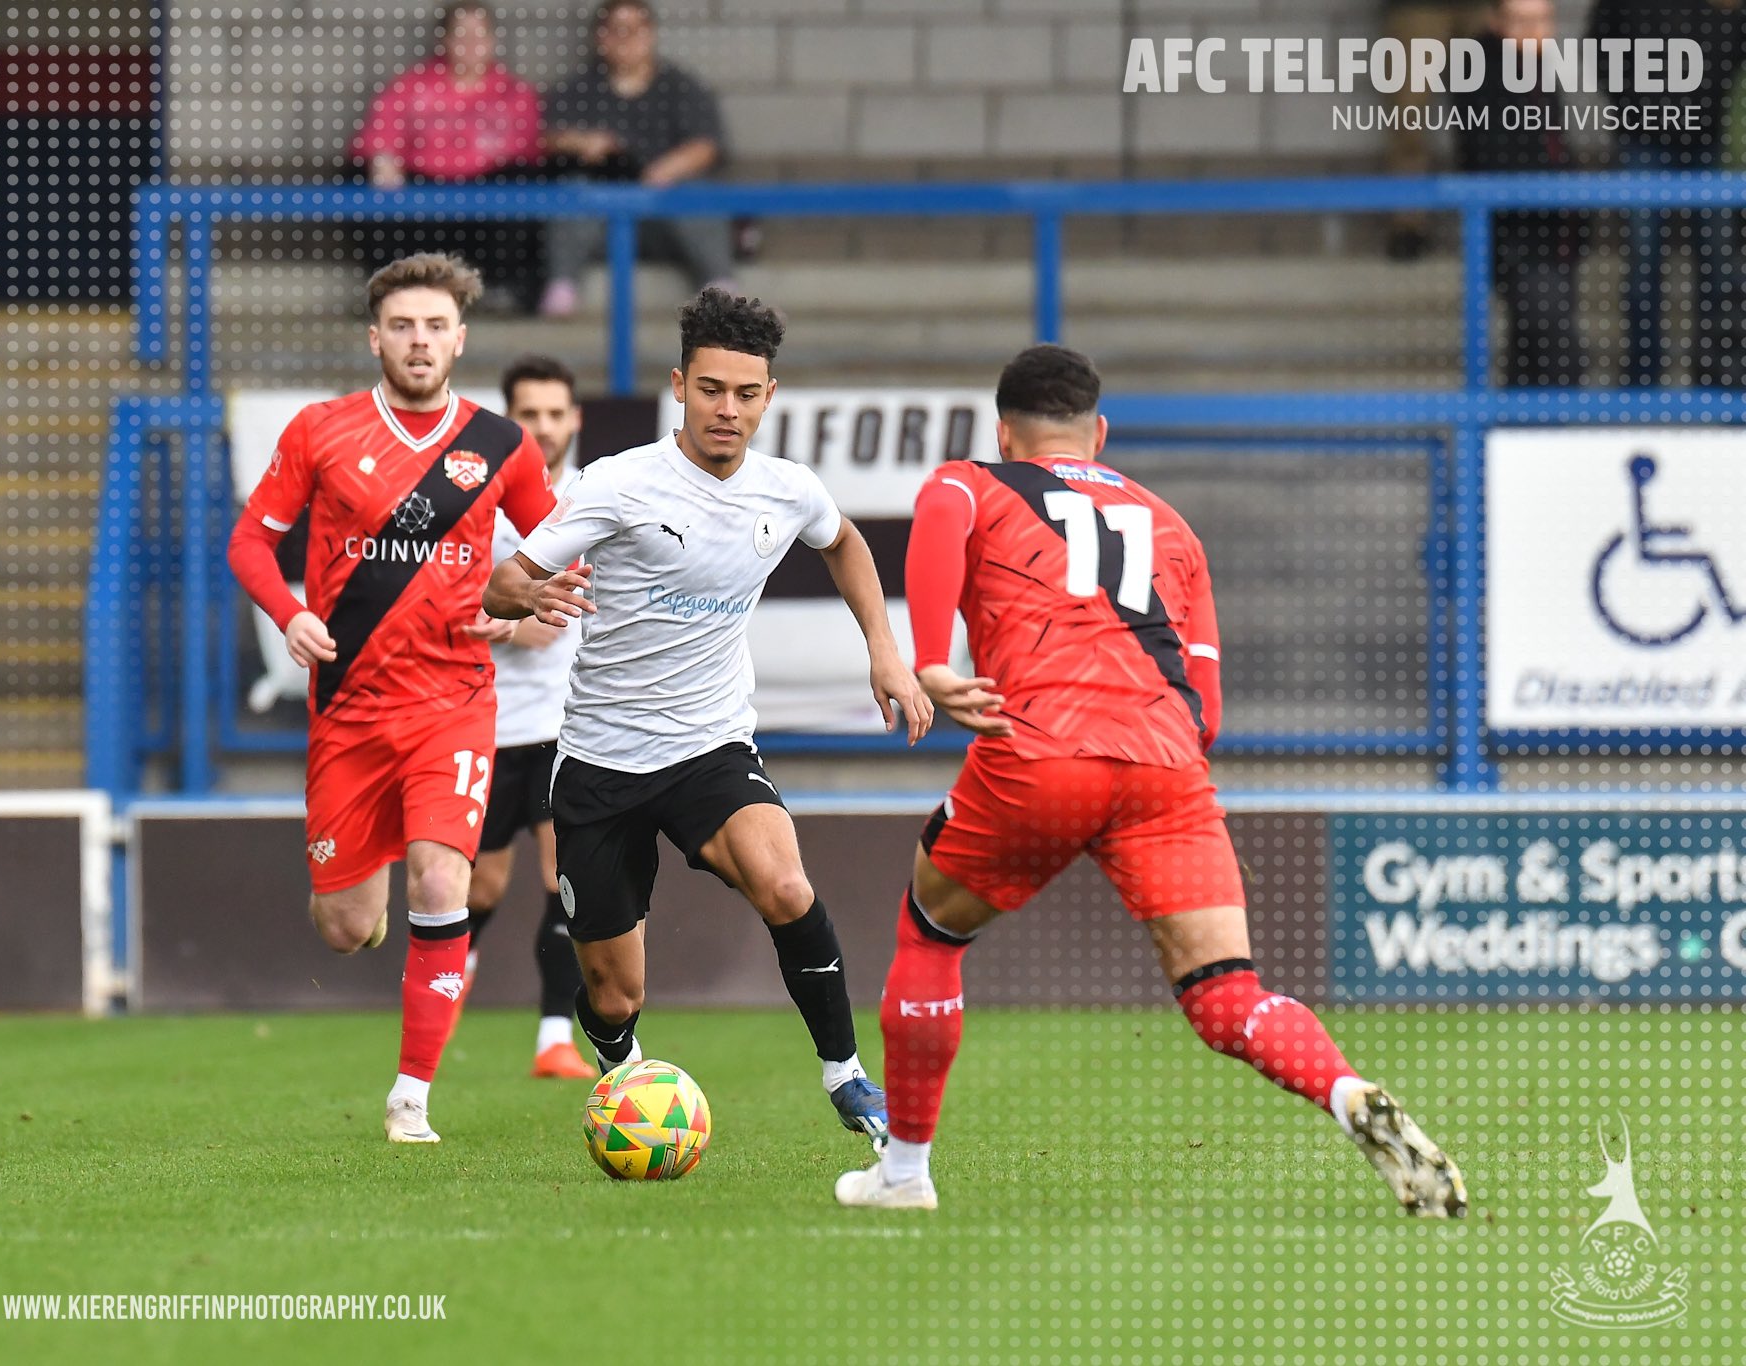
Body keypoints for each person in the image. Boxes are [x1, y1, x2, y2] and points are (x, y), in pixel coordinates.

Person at [834, 345, 1468, 1216]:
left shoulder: (971, 482)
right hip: (1167, 767)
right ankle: (1346, 1091)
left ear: (1002, 431)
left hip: (1040, 750)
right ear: (1099, 432)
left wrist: (932, 664)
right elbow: (1207, 709)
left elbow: (939, 516)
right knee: (1225, 993)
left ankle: (903, 1175)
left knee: (931, 933)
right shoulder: (1172, 525)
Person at [481, 288, 935, 1140]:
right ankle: (621, 1065)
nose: (728, 409)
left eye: (748, 393)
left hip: (710, 747)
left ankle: (847, 1076)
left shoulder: (787, 490)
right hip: (601, 763)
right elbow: (506, 578)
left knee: (786, 882)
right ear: (680, 386)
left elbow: (844, 542)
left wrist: (884, 647)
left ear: (770, 397)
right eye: (713, 389)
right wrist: (528, 590)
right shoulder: (616, 484)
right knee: (615, 994)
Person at [226, 252, 556, 1144]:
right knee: (345, 926)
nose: (419, 341)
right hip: (349, 710)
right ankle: (358, 913)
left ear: (461, 339)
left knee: (443, 875)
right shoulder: (320, 432)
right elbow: (252, 545)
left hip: (453, 702)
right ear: (376, 338)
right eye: (403, 326)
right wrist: (290, 613)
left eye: (436, 326)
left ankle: (411, 1095)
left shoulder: (500, 446)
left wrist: (515, 608)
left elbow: (561, 544)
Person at [458, 354, 595, 1080]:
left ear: (574, 419)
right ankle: (447, 987)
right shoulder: (478, 495)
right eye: (529, 415)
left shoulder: (592, 498)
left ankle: (553, 1039)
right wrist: (511, 617)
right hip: (482, 722)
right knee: (478, 886)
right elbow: (456, 595)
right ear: (510, 421)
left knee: (561, 876)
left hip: (562, 727)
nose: (543, 427)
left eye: (554, 413)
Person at [537, 0, 735, 317]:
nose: (626, 38)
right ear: (600, 37)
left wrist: (668, 168)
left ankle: (721, 290)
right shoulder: (577, 89)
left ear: (651, 34)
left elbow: (707, 144)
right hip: (603, 223)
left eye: (635, 29)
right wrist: (580, 142)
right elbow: (543, 137)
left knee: (698, 194)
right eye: (617, 30)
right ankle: (562, 287)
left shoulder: (680, 86)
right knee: (573, 191)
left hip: (666, 220)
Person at [345, 3, 544, 305]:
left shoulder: (515, 92)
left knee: (525, 183)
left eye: (479, 35)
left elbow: (529, 151)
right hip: (423, 203)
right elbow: (378, 135)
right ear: (444, 40)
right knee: (359, 177)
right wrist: (383, 158)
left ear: (493, 41)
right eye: (461, 34)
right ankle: (394, 289)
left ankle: (502, 287)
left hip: (484, 209)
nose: (471, 44)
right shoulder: (411, 85)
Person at [1590, 0, 1746, 386]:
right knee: (1645, 261)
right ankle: (1644, 375)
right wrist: (1634, 106)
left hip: (1708, 137)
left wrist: (1711, 101)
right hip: (1644, 140)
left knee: (1717, 262)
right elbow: (1599, 46)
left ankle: (1716, 371)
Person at [1452, 0, 1588, 387]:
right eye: (1522, 22)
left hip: (1556, 236)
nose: (1534, 32)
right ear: (1496, 22)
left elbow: (1557, 146)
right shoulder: (1479, 70)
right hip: (1521, 238)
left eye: (1542, 21)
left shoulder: (1540, 71)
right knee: (1554, 351)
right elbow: (1497, 153)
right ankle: (1541, 434)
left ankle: (1520, 435)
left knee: (1531, 351)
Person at [1378, 0, 1488, 259]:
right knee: (1408, 119)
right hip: (1415, 7)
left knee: (1492, 116)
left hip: (1483, 8)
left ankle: (1495, 217)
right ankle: (1408, 225)